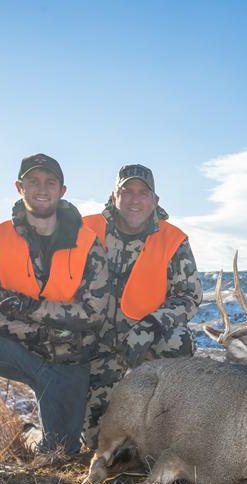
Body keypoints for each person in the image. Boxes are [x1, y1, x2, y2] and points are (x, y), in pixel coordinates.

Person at [0, 154, 108, 481]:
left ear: (62, 189)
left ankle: (27, 432)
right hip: (17, 350)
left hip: (66, 361)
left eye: (49, 182)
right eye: (33, 181)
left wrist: (28, 308)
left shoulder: (87, 243)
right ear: (19, 186)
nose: (41, 189)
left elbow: (93, 313)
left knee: (59, 456)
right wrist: (28, 331)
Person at [81, 164, 202, 447]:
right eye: (127, 192)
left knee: (178, 340)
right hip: (95, 343)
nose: (135, 199)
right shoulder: (85, 230)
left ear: (154, 200)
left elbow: (188, 296)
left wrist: (151, 325)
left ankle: (175, 430)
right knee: (99, 445)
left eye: (143, 193)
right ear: (114, 197)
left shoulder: (173, 239)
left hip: (147, 336)